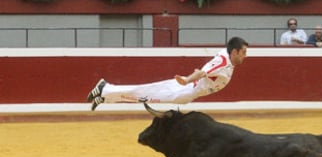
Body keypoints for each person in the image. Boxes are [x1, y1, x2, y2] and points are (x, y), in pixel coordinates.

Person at [87, 36, 248, 110]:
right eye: (243, 52)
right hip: (185, 89)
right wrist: (186, 80)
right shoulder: (222, 62)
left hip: (188, 92)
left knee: (145, 93)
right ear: (234, 52)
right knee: (145, 94)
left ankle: (105, 97)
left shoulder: (227, 60)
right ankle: (104, 89)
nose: (245, 56)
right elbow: (202, 73)